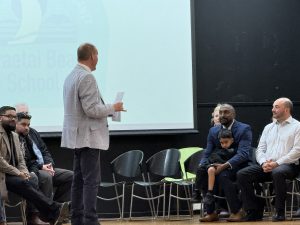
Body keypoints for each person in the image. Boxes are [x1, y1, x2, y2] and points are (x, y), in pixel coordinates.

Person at [61, 43, 125, 225]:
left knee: (79, 181)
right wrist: (114, 107)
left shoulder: (70, 76)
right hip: (88, 137)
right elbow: (91, 110)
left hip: (77, 137)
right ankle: (90, 220)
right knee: (91, 181)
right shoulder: (87, 77)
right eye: (97, 55)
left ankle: (77, 219)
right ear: (91, 56)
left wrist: (111, 110)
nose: (98, 59)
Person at [0, 106, 69, 225]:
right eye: (9, 116)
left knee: (30, 179)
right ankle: (53, 210)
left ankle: (48, 214)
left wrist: (24, 172)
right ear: (1, 118)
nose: (13, 119)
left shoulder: (15, 136)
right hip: (2, 174)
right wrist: (18, 173)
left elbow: (21, 159)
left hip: (11, 173)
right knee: (26, 181)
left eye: (14, 117)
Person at [236, 97, 300, 222]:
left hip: (289, 165)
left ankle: (280, 211)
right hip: (267, 165)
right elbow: (260, 149)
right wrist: (264, 162)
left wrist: (277, 163)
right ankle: (255, 209)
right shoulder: (268, 127)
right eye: (273, 107)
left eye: (276, 107)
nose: (273, 109)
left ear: (286, 109)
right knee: (242, 174)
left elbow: (297, 151)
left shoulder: (297, 126)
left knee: (278, 172)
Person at [194, 103, 252, 222]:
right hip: (217, 162)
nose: (222, 115)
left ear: (233, 114)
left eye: (226, 112)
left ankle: (237, 211)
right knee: (203, 172)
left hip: (237, 164)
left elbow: (243, 154)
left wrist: (224, 166)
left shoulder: (244, 128)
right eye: (220, 113)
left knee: (222, 176)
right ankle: (211, 212)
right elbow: (208, 151)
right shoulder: (213, 130)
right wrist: (203, 164)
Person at [15, 104, 73, 203]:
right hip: (30, 170)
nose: (25, 115)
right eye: (21, 114)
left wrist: (49, 165)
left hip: (44, 168)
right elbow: (25, 160)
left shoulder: (33, 132)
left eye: (27, 113)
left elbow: (44, 151)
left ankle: (57, 209)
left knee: (71, 176)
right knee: (46, 177)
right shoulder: (15, 136)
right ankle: (45, 213)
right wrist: (41, 167)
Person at [203, 129, 235, 206]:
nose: (224, 145)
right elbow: (211, 159)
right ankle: (208, 193)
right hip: (215, 167)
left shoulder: (234, 151)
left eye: (226, 142)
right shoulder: (218, 150)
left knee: (221, 177)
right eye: (221, 143)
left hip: (226, 170)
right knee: (209, 170)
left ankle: (222, 206)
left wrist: (222, 166)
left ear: (232, 140)